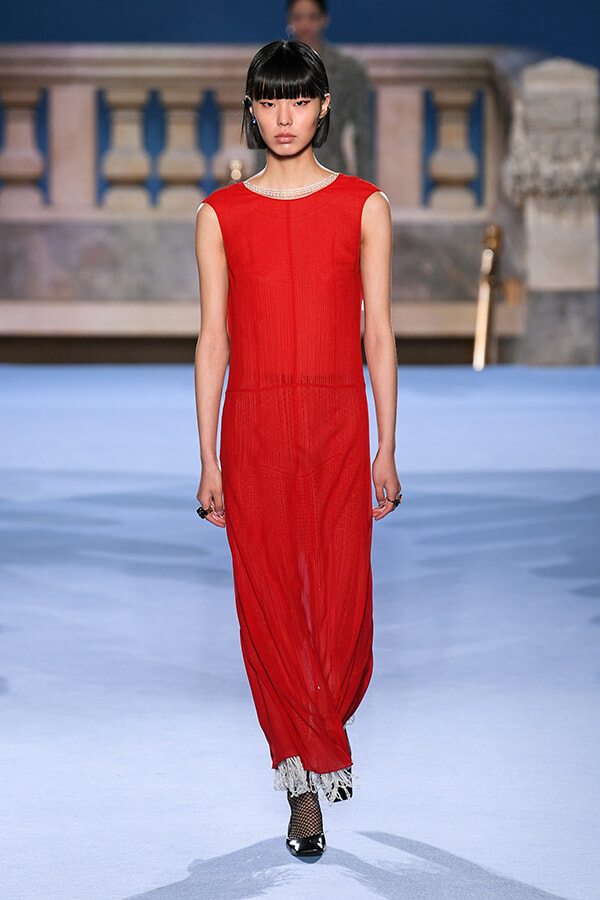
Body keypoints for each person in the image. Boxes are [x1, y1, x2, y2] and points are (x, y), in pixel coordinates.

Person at [194, 39, 400, 858]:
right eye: (270, 100)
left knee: (343, 612)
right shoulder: (219, 214)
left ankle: (318, 728)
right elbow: (213, 339)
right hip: (252, 429)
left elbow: (378, 333)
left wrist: (388, 445)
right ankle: (302, 784)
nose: (285, 117)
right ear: (252, 110)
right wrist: (207, 457)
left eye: (299, 99)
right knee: (270, 606)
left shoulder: (364, 205)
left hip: (339, 423)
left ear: (323, 107)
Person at [286, 0, 373, 180]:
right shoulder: (275, 66)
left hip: (330, 170)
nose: (305, 24)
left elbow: (362, 132)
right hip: (284, 172)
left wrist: (366, 187)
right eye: (298, 17)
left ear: (324, 19)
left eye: (312, 17)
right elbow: (263, 128)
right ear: (289, 20)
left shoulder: (348, 68)